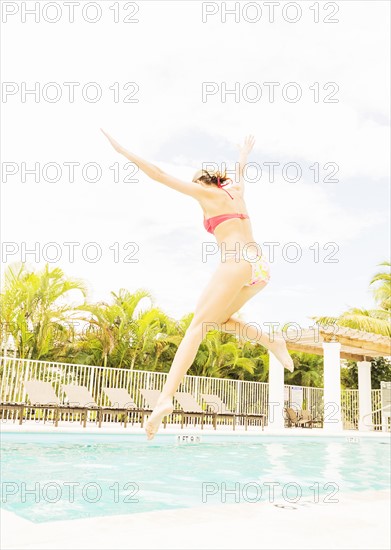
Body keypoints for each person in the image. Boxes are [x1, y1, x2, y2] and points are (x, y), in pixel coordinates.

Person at [101, 130, 294, 440]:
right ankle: (271, 341)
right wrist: (243, 155)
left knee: (196, 327)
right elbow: (241, 174)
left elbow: (160, 174)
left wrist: (124, 152)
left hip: (238, 261)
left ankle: (165, 399)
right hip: (259, 267)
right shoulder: (235, 191)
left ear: (203, 184)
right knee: (217, 321)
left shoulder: (207, 193)